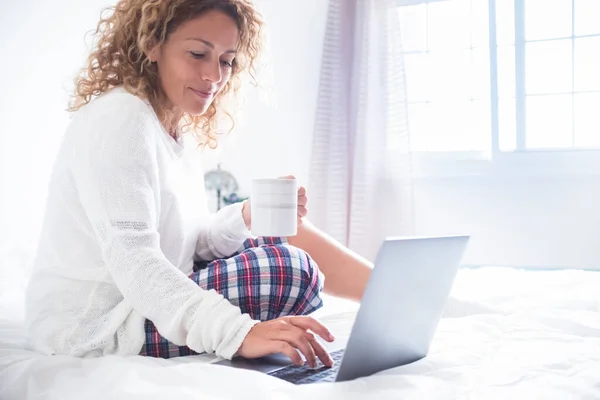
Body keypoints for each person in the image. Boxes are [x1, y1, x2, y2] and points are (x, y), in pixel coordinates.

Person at [25, 0, 372, 370]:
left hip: (148, 298)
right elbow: (137, 262)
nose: (214, 76)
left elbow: (188, 243)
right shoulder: (121, 120)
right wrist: (239, 333)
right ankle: (392, 293)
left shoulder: (174, 128)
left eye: (226, 61)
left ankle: (388, 292)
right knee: (291, 269)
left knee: (283, 235)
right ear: (152, 44)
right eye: (197, 54)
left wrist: (244, 215)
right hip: (100, 327)